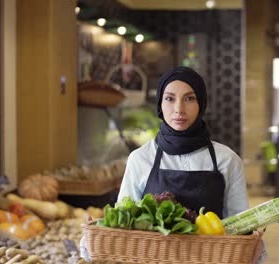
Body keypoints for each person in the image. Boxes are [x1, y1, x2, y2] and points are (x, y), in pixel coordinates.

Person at [81, 66, 266, 263]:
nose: (179, 109)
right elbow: (123, 224)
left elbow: (241, 229)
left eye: (189, 98)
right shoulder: (141, 159)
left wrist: (253, 241)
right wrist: (100, 227)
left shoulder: (227, 160)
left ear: (201, 104)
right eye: (170, 98)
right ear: (160, 104)